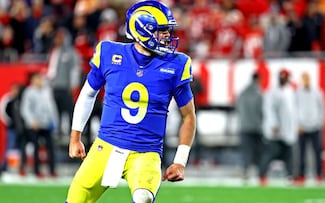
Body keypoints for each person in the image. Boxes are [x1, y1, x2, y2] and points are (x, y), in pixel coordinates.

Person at [64, 1, 196, 203]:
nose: (168, 35)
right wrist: (75, 137)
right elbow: (88, 94)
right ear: (143, 31)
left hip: (145, 153)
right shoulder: (110, 53)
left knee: (143, 198)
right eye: (162, 31)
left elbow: (189, 117)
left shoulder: (176, 64)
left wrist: (180, 161)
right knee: (75, 200)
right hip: (105, 146)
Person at [260, 68, 297, 186]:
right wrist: (274, 124)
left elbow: (292, 112)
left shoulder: (290, 91)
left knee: (288, 154)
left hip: (288, 129)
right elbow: (269, 110)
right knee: (271, 153)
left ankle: (290, 176)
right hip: (276, 130)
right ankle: (262, 176)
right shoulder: (272, 92)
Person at [20, 72, 58, 178]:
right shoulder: (29, 92)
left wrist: (55, 121)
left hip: (47, 124)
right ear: (32, 80)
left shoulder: (47, 91)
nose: (39, 80)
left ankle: (52, 170)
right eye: (37, 78)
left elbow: (51, 107)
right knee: (36, 147)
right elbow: (25, 109)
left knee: (51, 147)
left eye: (40, 78)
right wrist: (32, 121)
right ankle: (37, 171)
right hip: (35, 125)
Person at [46, 27, 81, 142]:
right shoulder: (55, 52)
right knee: (57, 112)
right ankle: (59, 134)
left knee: (69, 112)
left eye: (60, 38)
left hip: (66, 87)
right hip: (55, 86)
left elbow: (75, 69)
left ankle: (72, 136)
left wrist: (73, 84)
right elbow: (51, 70)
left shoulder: (71, 52)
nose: (57, 40)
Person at [294, 71, 325, 185]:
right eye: (304, 78)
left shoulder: (317, 92)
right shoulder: (297, 93)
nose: (306, 80)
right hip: (302, 127)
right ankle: (301, 175)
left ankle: (319, 175)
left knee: (317, 152)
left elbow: (322, 109)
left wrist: (319, 123)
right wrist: (297, 124)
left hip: (315, 126)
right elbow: (295, 109)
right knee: (301, 153)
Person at [235, 71, 264, 180]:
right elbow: (262, 111)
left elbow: (238, 107)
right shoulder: (259, 93)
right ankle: (260, 172)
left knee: (246, 151)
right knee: (258, 151)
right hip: (257, 127)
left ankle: (245, 171)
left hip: (244, 126)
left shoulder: (242, 93)